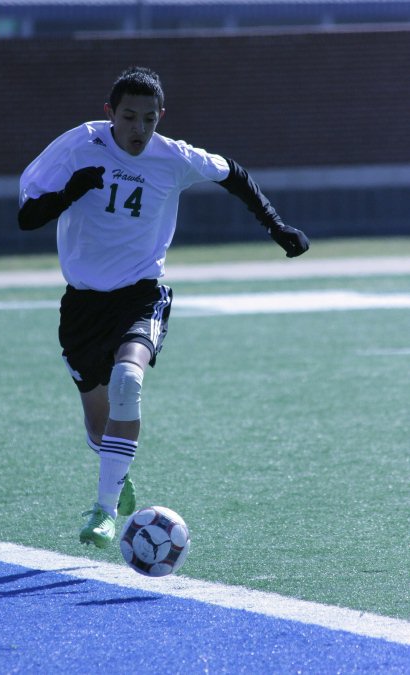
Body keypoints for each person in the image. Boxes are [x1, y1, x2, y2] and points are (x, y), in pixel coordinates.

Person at [18, 66, 310, 549]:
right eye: (129, 117)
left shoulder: (173, 156)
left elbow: (232, 173)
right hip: (83, 304)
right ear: (109, 113)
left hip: (141, 293)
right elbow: (27, 216)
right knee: (98, 421)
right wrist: (72, 190)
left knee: (128, 380)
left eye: (149, 118)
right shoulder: (78, 146)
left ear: (161, 117)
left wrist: (277, 227)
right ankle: (117, 469)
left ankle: (103, 510)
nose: (138, 129)